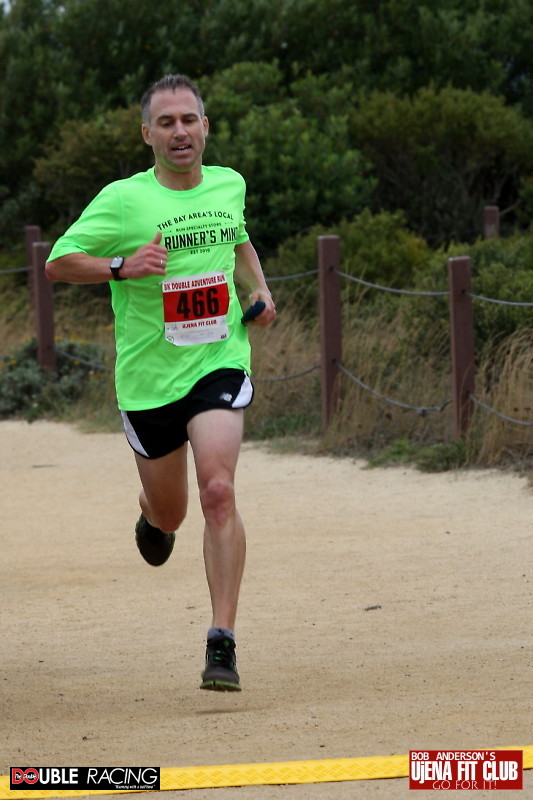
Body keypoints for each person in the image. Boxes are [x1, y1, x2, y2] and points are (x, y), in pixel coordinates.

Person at [45, 73, 276, 692]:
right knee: (173, 513)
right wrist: (122, 265)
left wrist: (258, 290)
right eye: (166, 122)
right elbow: (58, 262)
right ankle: (153, 517)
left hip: (218, 359)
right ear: (147, 133)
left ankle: (222, 641)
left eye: (189, 120)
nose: (180, 131)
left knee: (219, 491)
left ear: (206, 127)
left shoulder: (229, 184)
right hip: (149, 382)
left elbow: (237, 240)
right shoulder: (124, 200)